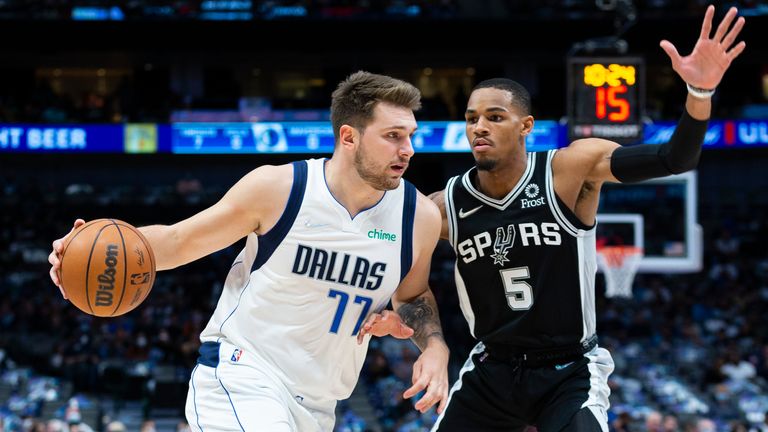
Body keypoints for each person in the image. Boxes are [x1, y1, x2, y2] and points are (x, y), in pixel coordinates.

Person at [48, 71, 450, 431]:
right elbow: (176, 241)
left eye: (411, 135)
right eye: (393, 135)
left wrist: (434, 347)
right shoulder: (280, 189)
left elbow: (413, 297)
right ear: (349, 137)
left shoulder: (418, 218)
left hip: (319, 404)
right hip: (243, 376)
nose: (408, 149)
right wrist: (86, 250)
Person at [427, 5, 746, 431]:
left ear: (526, 126)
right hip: (491, 369)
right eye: (471, 119)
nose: (479, 127)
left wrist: (699, 92)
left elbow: (675, 157)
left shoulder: (570, 169)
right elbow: (391, 254)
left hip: (568, 370)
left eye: (495, 117)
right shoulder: (444, 205)